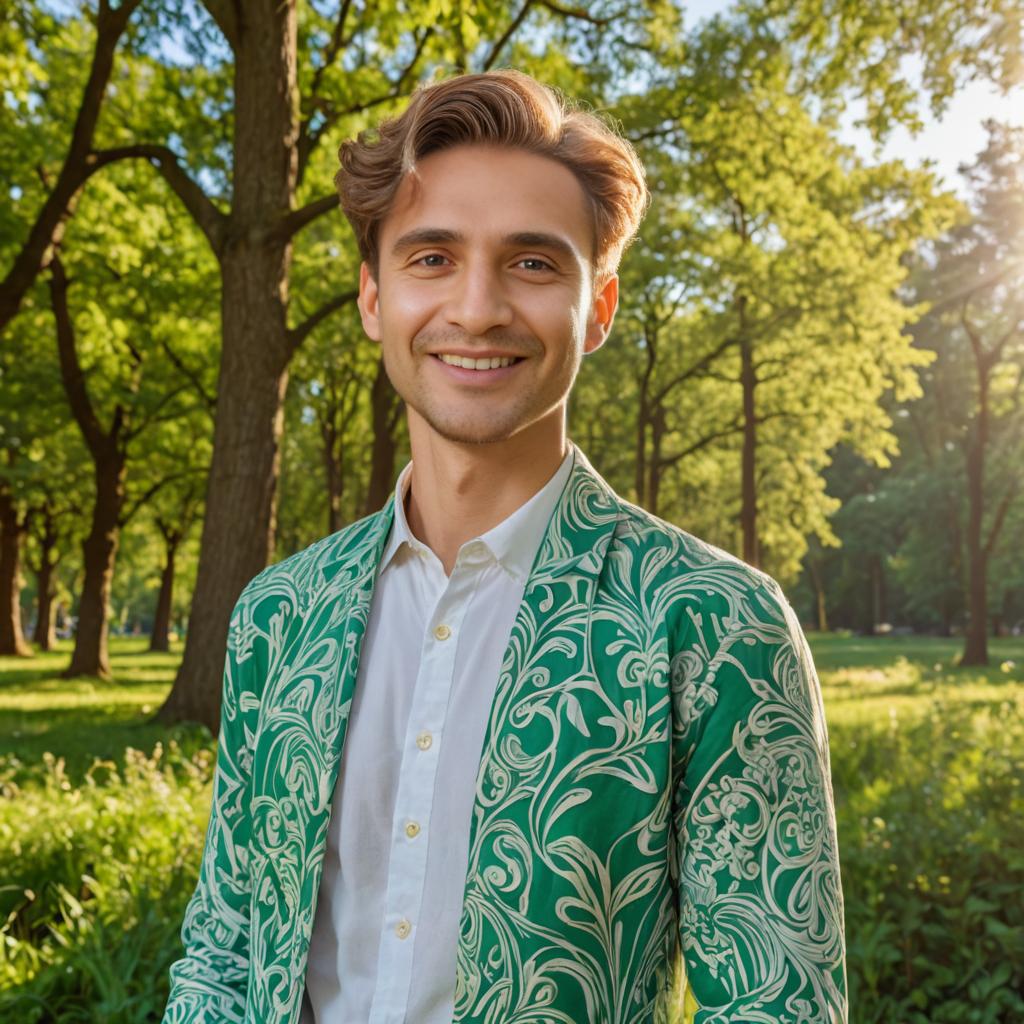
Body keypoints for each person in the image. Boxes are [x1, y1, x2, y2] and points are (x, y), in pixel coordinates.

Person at [162, 69, 847, 1024]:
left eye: (532, 262)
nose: (477, 308)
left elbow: (778, 1007)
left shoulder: (713, 623)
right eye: (431, 258)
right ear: (373, 299)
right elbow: (226, 950)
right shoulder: (280, 614)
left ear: (597, 308)